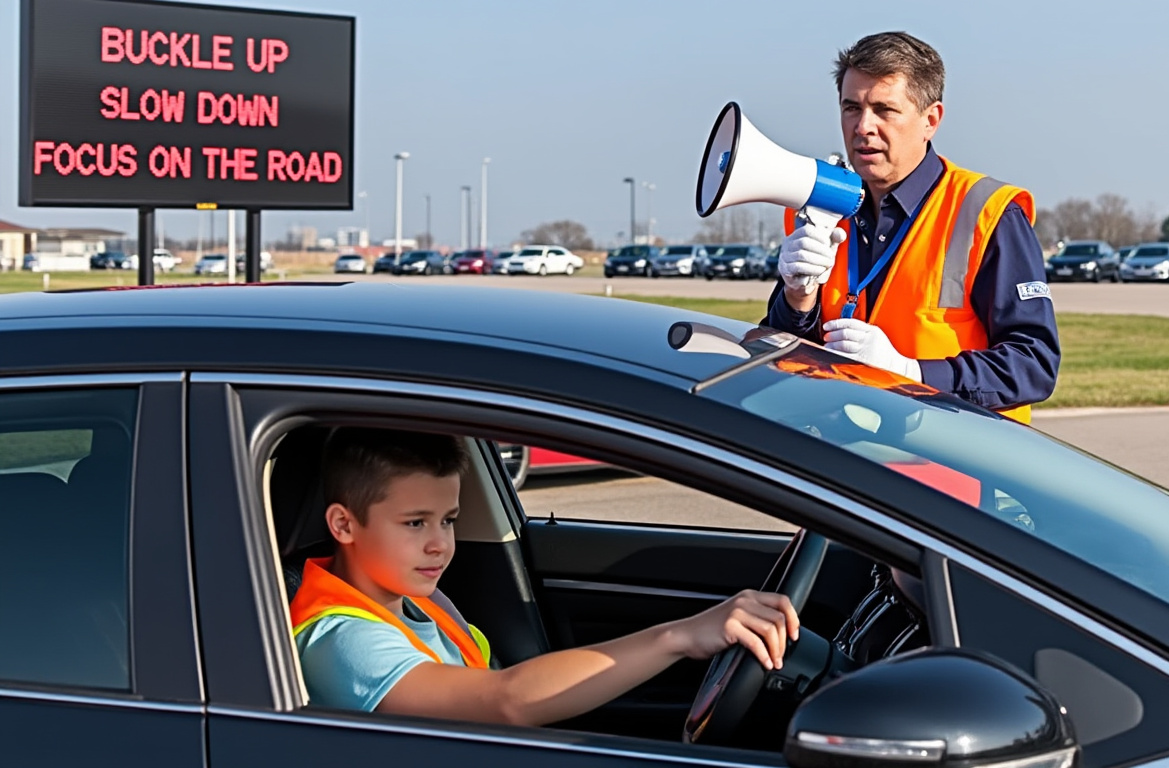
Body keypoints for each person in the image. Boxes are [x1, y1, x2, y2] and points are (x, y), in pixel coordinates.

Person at [290, 427, 798, 725]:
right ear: (343, 524)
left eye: (447, 519)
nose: (440, 543)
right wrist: (678, 637)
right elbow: (505, 697)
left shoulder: (417, 598)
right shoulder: (345, 642)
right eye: (414, 523)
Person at [767, 31, 1059, 423]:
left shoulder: (987, 213)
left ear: (930, 120)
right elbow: (779, 354)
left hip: (952, 471)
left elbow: (1034, 364)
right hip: (842, 465)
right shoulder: (820, 207)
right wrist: (795, 301)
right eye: (851, 107)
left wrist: (913, 373)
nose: (863, 126)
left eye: (884, 110)